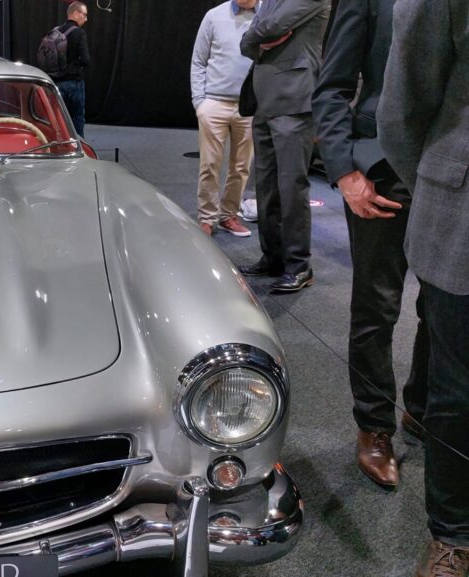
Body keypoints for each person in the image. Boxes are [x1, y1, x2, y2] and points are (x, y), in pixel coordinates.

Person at [312, 0, 429, 489]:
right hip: (382, 169)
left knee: (445, 306)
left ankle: (422, 408)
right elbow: (332, 87)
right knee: (377, 306)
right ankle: (374, 426)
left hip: (449, 172)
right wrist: (344, 170)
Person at [378, 0, 469, 574]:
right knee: (460, 391)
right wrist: (440, 189)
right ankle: (453, 532)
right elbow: (402, 109)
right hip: (463, 218)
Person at [237, 0, 330, 293]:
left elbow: (269, 26)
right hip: (264, 101)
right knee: (266, 187)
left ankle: (299, 266)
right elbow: (247, 41)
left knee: (291, 188)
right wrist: (256, 40)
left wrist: (257, 37)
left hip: (295, 101)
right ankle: (273, 257)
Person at [190, 0, 258, 237]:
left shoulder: (267, 17)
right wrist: (200, 102)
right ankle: (207, 218)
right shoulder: (213, 16)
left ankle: (229, 215)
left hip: (249, 107)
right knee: (209, 164)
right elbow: (198, 60)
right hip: (214, 103)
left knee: (241, 167)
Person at [49, 1, 90, 137]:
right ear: (76, 13)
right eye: (84, 15)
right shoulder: (79, 33)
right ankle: (78, 144)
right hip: (74, 82)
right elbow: (85, 60)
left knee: (57, 117)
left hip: (55, 82)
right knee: (77, 116)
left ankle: (58, 142)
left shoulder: (55, 31)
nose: (86, 19)